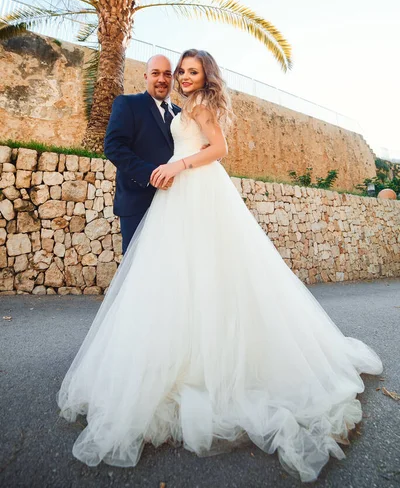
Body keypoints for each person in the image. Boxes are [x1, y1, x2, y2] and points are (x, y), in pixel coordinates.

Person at [57, 49, 383, 482]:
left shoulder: (199, 104)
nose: (182, 77)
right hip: (172, 196)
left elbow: (220, 148)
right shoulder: (162, 105)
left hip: (197, 189)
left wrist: (180, 164)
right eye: (179, 71)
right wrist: (165, 169)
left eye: (190, 71)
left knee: (209, 273)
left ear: (204, 75)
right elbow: (122, 145)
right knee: (169, 281)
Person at [104, 54, 180, 253]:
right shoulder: (127, 104)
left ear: (173, 78)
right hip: (138, 204)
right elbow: (114, 147)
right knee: (137, 272)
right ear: (146, 76)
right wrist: (151, 175)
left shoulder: (182, 115)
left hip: (176, 205)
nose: (161, 79)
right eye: (155, 73)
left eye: (167, 74)